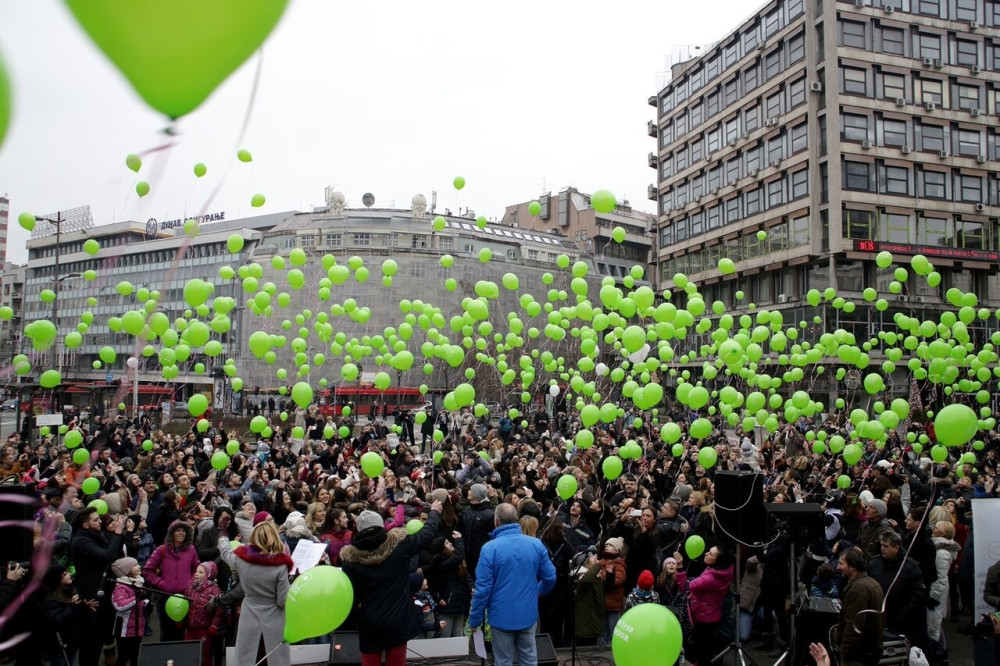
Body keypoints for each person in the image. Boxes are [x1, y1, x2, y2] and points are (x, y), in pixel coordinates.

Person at [340, 500, 444, 666]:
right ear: (382, 525)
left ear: (358, 529)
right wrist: (434, 512)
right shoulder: (399, 547)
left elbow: (351, 596)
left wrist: (349, 624)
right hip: (397, 621)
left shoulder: (350, 561)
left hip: (370, 623)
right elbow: (427, 534)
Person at [469, 503, 557, 666]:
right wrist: (539, 591)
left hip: (500, 616)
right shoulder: (535, 544)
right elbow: (550, 577)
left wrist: (474, 620)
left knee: (503, 661)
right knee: (530, 659)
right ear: (516, 520)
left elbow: (482, 590)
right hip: (528, 613)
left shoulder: (489, 549)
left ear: (496, 522)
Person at [218, 521, 293, 666]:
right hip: (274, 619)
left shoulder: (241, 560)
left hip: (249, 614)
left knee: (247, 657)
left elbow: (225, 552)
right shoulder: (280, 565)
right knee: (274, 658)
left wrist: (222, 534)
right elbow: (283, 600)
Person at [69, 507, 127, 666]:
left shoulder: (95, 535)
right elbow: (106, 556)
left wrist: (118, 534)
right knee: (91, 644)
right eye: (95, 519)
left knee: (104, 633)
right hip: (91, 595)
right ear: (86, 525)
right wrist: (116, 533)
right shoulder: (82, 541)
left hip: (105, 592)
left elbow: (113, 552)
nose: (100, 521)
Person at [867, 529, 927, 650]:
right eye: (881, 545)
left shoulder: (911, 568)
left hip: (901, 622)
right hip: (876, 618)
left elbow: (916, 597)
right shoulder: (874, 563)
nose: (882, 548)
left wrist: (901, 617)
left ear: (896, 547)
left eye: (886, 546)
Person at [142, 519, 200, 642]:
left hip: (185, 597)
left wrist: (191, 582)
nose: (181, 533)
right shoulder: (161, 550)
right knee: (166, 631)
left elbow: (197, 568)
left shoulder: (191, 549)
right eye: (178, 530)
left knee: (181, 631)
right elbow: (147, 570)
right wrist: (161, 583)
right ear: (171, 533)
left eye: (184, 530)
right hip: (164, 597)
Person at [836, 547, 884, 666]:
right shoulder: (872, 584)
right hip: (871, 653)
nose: (838, 567)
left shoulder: (857, 589)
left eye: (841, 564)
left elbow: (854, 627)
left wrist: (844, 651)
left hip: (858, 656)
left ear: (852, 566)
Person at [687, 546, 734, 666]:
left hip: (703, 617)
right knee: (705, 648)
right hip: (712, 613)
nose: (706, 554)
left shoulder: (710, 579)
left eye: (711, 554)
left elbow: (688, 586)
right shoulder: (721, 572)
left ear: (717, 561)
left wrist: (681, 568)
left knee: (703, 649)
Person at [185, 562, 225, 666]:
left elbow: (220, 609)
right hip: (190, 627)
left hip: (204, 629)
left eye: (200, 572)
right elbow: (184, 603)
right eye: (196, 571)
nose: (196, 574)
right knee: (188, 653)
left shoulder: (214, 590)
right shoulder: (191, 587)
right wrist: (181, 619)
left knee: (204, 655)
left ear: (208, 575)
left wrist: (214, 625)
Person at [110, 557, 147, 666]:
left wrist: (146, 604)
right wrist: (136, 598)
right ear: (127, 570)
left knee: (135, 657)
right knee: (123, 657)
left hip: (137, 628)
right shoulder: (121, 587)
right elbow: (120, 605)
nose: (139, 566)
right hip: (124, 631)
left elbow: (141, 601)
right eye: (135, 565)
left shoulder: (138, 582)